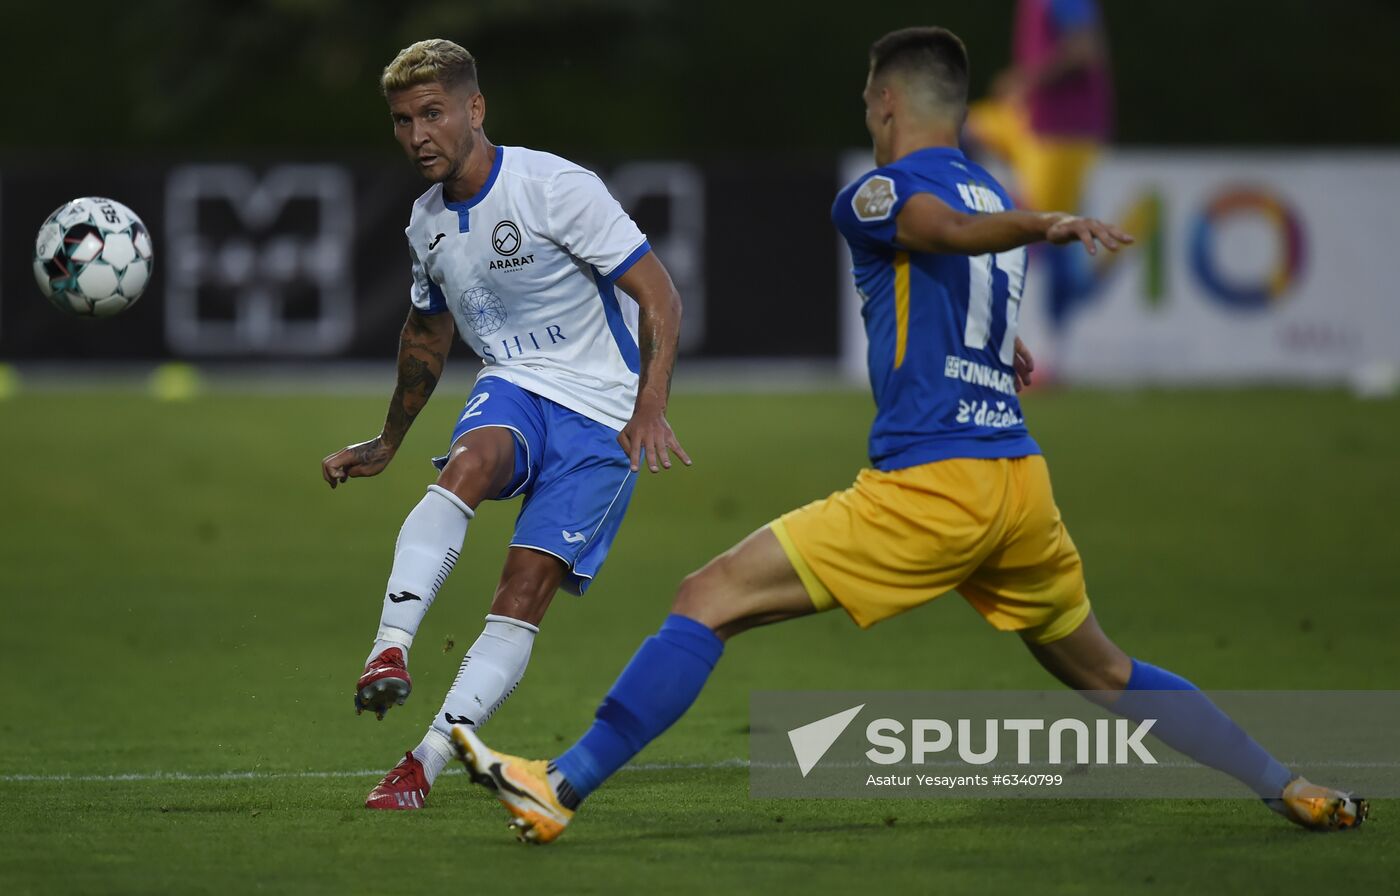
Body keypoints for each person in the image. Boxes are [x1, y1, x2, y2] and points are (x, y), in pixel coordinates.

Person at [449, 26, 1367, 842]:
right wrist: (1008, 318)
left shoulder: (884, 194)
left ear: (886, 102)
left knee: (707, 597)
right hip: (1019, 490)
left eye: (867, 99)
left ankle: (558, 784)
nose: (868, 111)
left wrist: (1042, 225)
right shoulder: (990, 184)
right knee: (1106, 670)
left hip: (937, 487)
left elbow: (944, 230)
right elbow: (972, 274)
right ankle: (1288, 786)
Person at [320, 38, 690, 811]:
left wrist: (651, 402)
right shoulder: (426, 224)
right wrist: (387, 442)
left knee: (522, 592)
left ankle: (422, 763)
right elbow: (426, 336)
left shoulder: (554, 187)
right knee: (470, 464)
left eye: (432, 114)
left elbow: (659, 293)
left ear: (474, 109)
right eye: (401, 120)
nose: (417, 134)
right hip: (516, 383)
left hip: (604, 417)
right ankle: (388, 649)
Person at [966, 0, 1112, 329]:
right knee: (966, 128)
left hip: (1062, 132)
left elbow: (1084, 49)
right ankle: (977, 217)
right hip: (1031, 124)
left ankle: (1046, 349)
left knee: (1049, 236)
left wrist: (1025, 79)